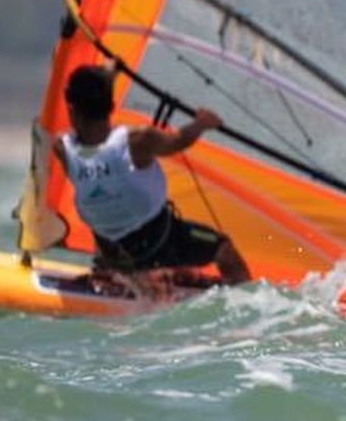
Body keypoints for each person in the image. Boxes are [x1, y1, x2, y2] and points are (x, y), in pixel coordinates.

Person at [54, 64, 250, 292]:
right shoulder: (137, 140)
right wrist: (202, 123)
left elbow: (94, 150)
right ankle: (242, 301)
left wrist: (111, 73)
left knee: (105, 211)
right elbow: (179, 141)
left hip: (114, 254)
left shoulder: (63, 150)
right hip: (161, 244)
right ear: (111, 106)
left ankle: (111, 273)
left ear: (72, 111)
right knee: (223, 249)